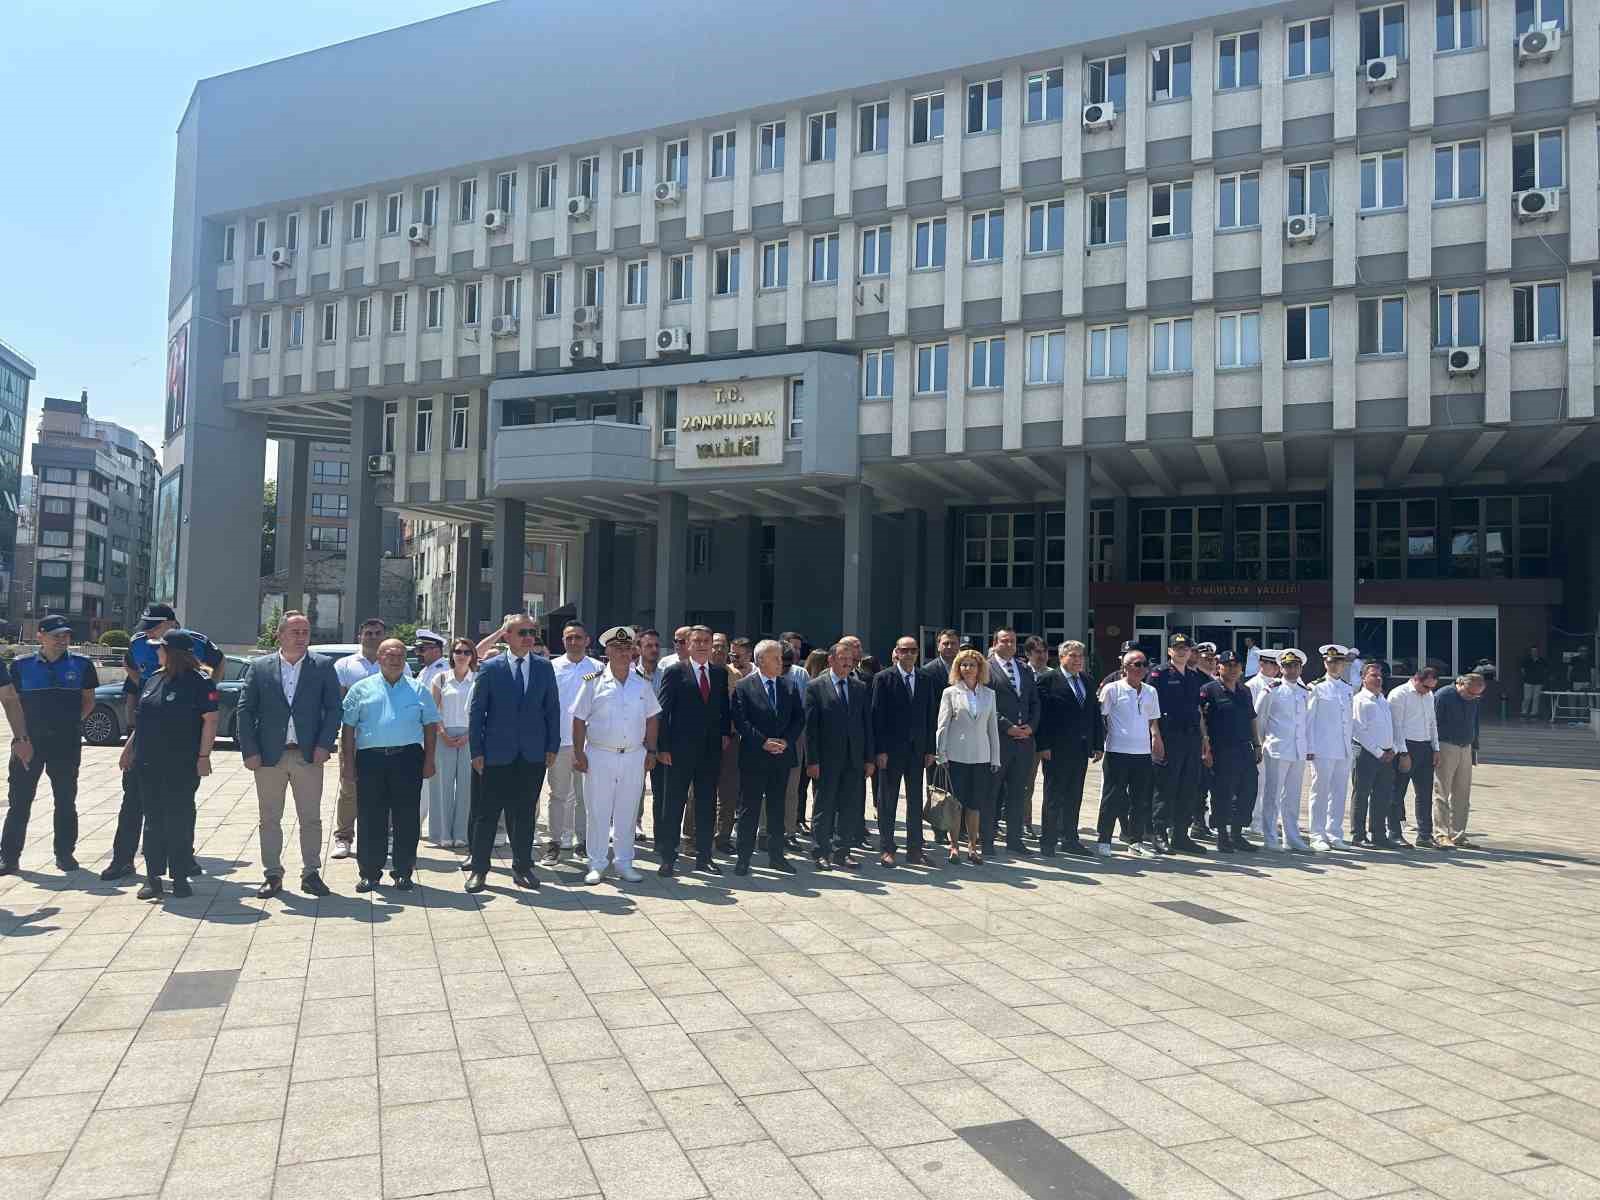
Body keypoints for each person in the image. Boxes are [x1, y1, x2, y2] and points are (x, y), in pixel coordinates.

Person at [101, 603, 224, 882]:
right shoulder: (139, 644)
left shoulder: (194, 642)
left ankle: (182, 860)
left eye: (156, 625)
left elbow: (219, 662)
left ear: (172, 624)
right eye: (148, 625)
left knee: (181, 806)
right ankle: (123, 859)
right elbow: (132, 678)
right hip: (147, 726)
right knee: (133, 802)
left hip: (181, 738)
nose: (150, 631)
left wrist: (207, 689)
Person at [237, 610, 341, 898]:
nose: (301, 637)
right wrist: (249, 750)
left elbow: (334, 708)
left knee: (311, 818)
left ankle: (311, 873)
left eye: (305, 632)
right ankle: (272, 874)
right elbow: (245, 711)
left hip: (308, 755)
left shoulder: (322, 666)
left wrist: (324, 744)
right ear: (280, 635)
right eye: (294, 632)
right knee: (269, 818)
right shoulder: (260, 668)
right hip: (269, 757)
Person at [119, 629, 219, 901]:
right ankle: (153, 878)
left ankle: (180, 876)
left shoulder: (199, 682)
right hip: (148, 762)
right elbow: (143, 720)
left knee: (178, 819)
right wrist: (129, 749)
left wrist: (203, 757)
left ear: (173, 652)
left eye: (160, 648)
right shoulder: (154, 679)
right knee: (152, 820)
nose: (156, 652)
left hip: (182, 763)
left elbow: (210, 721)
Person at [466, 617, 559, 892]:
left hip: (531, 754)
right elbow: (477, 712)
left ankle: (522, 867)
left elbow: (552, 709)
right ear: (507, 635)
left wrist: (552, 745)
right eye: (523, 632)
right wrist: (476, 750)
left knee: (524, 814)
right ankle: (479, 869)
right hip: (496, 754)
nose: (529, 637)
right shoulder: (491, 667)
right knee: (487, 814)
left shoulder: (543, 667)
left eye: (533, 632)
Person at [0, 615, 98, 875]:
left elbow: (89, 701)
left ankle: (65, 854)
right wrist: (21, 739)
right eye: (56, 635)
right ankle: (9, 857)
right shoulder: (21, 666)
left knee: (66, 800)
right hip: (29, 742)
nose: (62, 639)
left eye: (65, 635)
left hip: (65, 744)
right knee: (20, 801)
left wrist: (71, 723)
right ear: (40, 635)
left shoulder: (82, 665)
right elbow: (12, 703)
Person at [340, 638, 438, 893]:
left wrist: (429, 760)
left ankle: (403, 872)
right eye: (390, 655)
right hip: (370, 760)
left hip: (408, 759)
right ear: (380, 658)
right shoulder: (361, 689)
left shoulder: (418, 690)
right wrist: (347, 765)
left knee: (407, 818)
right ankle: (370, 874)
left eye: (400, 656)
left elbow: (430, 727)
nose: (395, 660)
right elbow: (348, 729)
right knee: (371, 817)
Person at [571, 626, 660, 884]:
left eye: (626, 648)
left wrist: (651, 750)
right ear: (607, 651)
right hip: (600, 754)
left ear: (633, 651)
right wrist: (578, 753)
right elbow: (578, 720)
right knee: (598, 811)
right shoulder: (593, 681)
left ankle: (624, 862)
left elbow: (653, 717)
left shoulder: (641, 682)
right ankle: (596, 864)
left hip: (633, 755)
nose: (622, 653)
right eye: (617, 649)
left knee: (628, 811)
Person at [656, 625, 732, 877]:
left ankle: (704, 856)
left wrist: (724, 735)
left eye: (706, 641)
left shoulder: (720, 673)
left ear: (712, 645)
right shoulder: (675, 671)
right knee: (674, 804)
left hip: (709, 752)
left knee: (706, 804)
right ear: (687, 645)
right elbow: (663, 712)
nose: (701, 645)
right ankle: (668, 857)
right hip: (678, 751)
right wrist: (662, 747)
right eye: (696, 641)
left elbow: (723, 709)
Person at [329, 616, 403, 861]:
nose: (372, 637)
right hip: (355, 738)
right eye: (368, 633)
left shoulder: (397, 663)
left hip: (389, 738)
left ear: (384, 636)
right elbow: (338, 702)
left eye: (377, 633)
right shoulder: (345, 666)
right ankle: (343, 837)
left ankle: (388, 836)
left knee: (389, 789)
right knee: (349, 788)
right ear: (360, 636)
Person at [731, 638, 803, 875]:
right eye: (776, 658)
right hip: (755, 757)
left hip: (781, 757)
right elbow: (741, 721)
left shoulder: (788, 686)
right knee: (749, 809)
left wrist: (786, 741)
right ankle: (743, 858)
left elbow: (798, 719)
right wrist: (763, 742)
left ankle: (776, 856)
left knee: (776, 809)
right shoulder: (744, 687)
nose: (781, 663)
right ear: (761, 660)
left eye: (781, 658)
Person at [805, 640, 875, 868]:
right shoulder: (816, 687)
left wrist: (868, 758)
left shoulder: (859, 688)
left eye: (850, 660)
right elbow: (811, 729)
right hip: (826, 760)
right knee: (824, 807)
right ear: (831, 660)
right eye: (842, 659)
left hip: (853, 759)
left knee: (849, 806)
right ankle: (820, 851)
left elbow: (867, 726)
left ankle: (842, 850)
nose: (847, 663)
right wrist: (812, 760)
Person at [1032, 639, 1102, 858]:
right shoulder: (1048, 680)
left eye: (1080, 656)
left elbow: (1094, 715)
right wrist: (1043, 745)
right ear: (1061, 657)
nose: (1077, 660)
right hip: (1056, 748)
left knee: (1074, 795)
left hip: (1080, 748)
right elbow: (1041, 716)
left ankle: (1070, 839)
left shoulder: (1088, 681)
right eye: (1072, 656)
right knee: (1054, 796)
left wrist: (1098, 744)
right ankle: (1048, 840)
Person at [870, 635, 936, 867]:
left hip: (917, 751)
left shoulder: (926, 679)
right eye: (904, 650)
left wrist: (930, 748)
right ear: (896, 652)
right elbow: (877, 717)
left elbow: (930, 716)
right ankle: (887, 848)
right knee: (887, 801)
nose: (909, 654)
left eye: (913, 650)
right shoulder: (883, 678)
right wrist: (880, 750)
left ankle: (915, 849)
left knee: (915, 801)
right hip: (891, 751)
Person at [934, 648, 1000, 864]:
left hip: (981, 755)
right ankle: (954, 846)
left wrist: (995, 757)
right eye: (963, 665)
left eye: (972, 664)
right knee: (956, 804)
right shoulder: (950, 693)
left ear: (980, 667)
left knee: (975, 804)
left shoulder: (989, 694)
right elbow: (942, 725)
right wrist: (940, 754)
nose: (967, 668)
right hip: (956, 755)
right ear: (958, 668)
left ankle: (972, 846)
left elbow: (992, 728)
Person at [543, 621, 601, 867]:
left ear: (587, 640)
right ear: (563, 641)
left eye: (578, 637)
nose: (574, 642)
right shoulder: (551, 667)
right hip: (560, 743)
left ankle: (582, 843)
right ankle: (554, 843)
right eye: (569, 638)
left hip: (590, 744)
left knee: (585, 797)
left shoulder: (599, 669)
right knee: (557, 795)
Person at [1094, 650, 1163, 858]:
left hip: (1142, 753)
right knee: (1112, 797)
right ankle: (1104, 839)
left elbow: (1153, 720)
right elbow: (1101, 718)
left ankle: (1136, 841)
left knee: (1140, 799)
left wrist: (1156, 739)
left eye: (1143, 664)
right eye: (1135, 664)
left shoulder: (1151, 691)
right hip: (1117, 751)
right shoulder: (1112, 689)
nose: (1140, 668)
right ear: (1125, 667)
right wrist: (1098, 745)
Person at [1148, 634, 1206, 856]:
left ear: (1191, 652)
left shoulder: (1193, 677)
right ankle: (1160, 834)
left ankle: (1181, 836)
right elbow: (1151, 709)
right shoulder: (1159, 674)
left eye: (1186, 648)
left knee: (1188, 787)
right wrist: (1155, 736)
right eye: (1177, 647)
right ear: (1170, 651)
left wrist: (1204, 739)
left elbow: (1198, 710)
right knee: (1166, 787)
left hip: (1191, 738)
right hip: (1168, 737)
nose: (1182, 651)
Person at [1198, 651, 1260, 853]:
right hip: (1221, 749)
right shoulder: (1209, 690)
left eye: (1236, 665)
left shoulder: (1244, 691)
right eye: (1228, 665)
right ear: (1219, 667)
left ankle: (1237, 833)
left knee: (1248, 791)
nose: (1232, 669)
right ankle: (1222, 835)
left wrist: (1257, 744)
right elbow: (1202, 721)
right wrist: (1206, 747)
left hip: (1244, 748)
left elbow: (1252, 718)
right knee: (1223, 793)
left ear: (1241, 668)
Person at [987, 628, 1039, 856]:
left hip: (1024, 742)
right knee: (992, 792)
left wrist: (1031, 726)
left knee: (1019, 791)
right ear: (995, 643)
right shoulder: (986, 667)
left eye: (1013, 641)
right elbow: (986, 704)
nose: (1009, 645)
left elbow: (1034, 702)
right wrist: (1008, 727)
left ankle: (1015, 839)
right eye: (1004, 641)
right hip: (999, 740)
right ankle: (987, 839)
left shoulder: (1025, 668)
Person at [1256, 647, 1312, 853]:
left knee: (1293, 796)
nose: (1292, 669)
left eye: (1296, 666)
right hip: (1276, 749)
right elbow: (1260, 719)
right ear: (1281, 667)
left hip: (1298, 750)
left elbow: (1306, 723)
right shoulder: (1272, 689)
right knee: (1272, 795)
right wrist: (1260, 744)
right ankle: (1270, 837)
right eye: (1288, 665)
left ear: (1301, 668)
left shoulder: (1305, 691)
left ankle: (1292, 836)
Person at [1305, 645, 1355, 851]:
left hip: (1343, 748)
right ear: (1325, 663)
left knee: (1339, 792)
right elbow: (1309, 719)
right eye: (1331, 661)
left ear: (1343, 664)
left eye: (1339, 662)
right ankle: (1317, 834)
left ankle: (1334, 832)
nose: (1335, 665)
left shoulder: (1348, 688)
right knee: (1320, 791)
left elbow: (1349, 720)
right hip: (1322, 748)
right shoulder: (1315, 687)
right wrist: (1309, 746)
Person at [429, 638, 478, 850]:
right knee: (442, 785)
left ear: (473, 656)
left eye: (467, 652)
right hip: (444, 735)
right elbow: (432, 711)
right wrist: (442, 733)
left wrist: (469, 734)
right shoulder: (440, 679)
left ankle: (461, 833)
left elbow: (481, 712)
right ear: (452, 654)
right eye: (458, 651)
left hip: (470, 736)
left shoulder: (478, 679)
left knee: (467, 786)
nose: (462, 655)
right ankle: (443, 833)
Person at [1388, 667, 1440, 848]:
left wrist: (1436, 748)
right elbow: (1396, 727)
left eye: (1432, 688)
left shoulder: (1429, 695)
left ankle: (1425, 835)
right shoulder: (1399, 694)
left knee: (1425, 794)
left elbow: (1432, 722)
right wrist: (1403, 753)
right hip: (1406, 746)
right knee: (1397, 792)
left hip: (1425, 746)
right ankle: (1394, 833)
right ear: (1416, 679)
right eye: (1426, 686)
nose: (1428, 691)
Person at [1349, 661, 1399, 848]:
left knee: (1382, 795)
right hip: (1367, 754)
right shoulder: (1359, 700)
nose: (1378, 679)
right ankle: (1358, 835)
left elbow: (1389, 727)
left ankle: (1379, 833)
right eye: (1373, 676)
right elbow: (1359, 731)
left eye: (1380, 676)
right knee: (1361, 794)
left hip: (1386, 755)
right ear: (1363, 678)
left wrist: (1392, 747)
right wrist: (1379, 752)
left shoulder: (1382, 700)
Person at [1433, 673, 1485, 848]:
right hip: (1446, 744)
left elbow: (1474, 723)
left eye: (1477, 695)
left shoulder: (1474, 698)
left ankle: (1458, 834)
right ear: (1461, 684)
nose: (1473, 698)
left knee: (1463, 793)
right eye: (1471, 693)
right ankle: (1441, 834)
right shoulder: (1443, 695)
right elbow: (1433, 723)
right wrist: (1435, 749)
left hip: (1466, 747)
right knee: (1442, 791)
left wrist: (1474, 748)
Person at [1244, 649, 1281, 835]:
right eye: (1271, 664)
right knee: (1258, 785)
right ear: (1261, 665)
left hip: (1275, 743)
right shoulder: (1252, 685)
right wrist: (1255, 742)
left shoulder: (1281, 685)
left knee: (1273, 785)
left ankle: (1271, 820)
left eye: (1277, 665)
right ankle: (1255, 821)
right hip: (1258, 741)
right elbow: (1253, 717)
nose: (1275, 668)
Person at [1519, 646, 1548, 720]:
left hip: (1538, 682)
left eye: (1535, 651)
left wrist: (1542, 678)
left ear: (1538, 652)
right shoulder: (1526, 660)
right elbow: (1522, 670)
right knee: (1527, 698)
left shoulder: (1542, 661)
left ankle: (1534, 714)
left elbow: (1545, 671)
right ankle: (1524, 713)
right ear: (1530, 652)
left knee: (1536, 699)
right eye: (1532, 651)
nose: (1534, 652)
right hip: (1528, 682)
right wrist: (1526, 677)